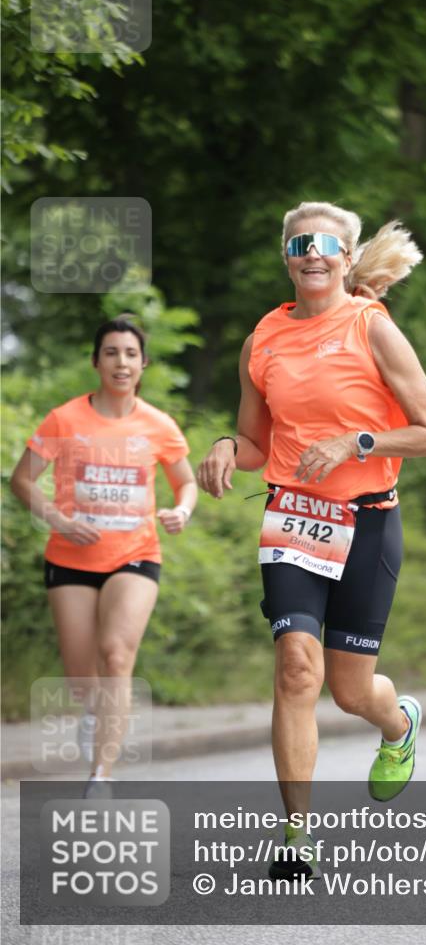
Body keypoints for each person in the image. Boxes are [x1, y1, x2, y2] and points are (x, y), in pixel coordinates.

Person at [197, 201, 426, 877]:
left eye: (326, 244)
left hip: (367, 520)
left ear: (344, 257)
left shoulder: (373, 329)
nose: (312, 253)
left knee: (349, 691)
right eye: (299, 243)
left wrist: (358, 440)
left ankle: (396, 724)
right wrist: (226, 445)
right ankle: (295, 836)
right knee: (294, 668)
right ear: (287, 255)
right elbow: (255, 442)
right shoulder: (264, 339)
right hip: (293, 520)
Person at [10, 316, 197, 795]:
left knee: (116, 655)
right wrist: (58, 519)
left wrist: (182, 510)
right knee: (81, 678)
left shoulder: (158, 425)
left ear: (143, 363)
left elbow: (186, 482)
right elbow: (22, 480)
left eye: (131, 353)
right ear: (96, 362)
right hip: (69, 558)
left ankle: (101, 776)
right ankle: (93, 711)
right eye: (111, 352)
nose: (121, 362)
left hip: (135, 556)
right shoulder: (65, 419)